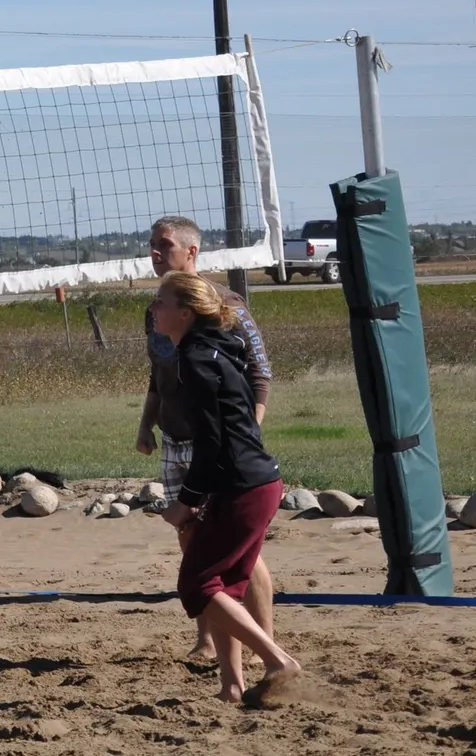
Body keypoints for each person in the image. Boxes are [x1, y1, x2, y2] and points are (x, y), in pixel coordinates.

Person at [152, 270, 301, 705]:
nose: (153, 308)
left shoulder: (197, 360)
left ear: (185, 312)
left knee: (197, 586)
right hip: (252, 481)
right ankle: (231, 686)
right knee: (222, 587)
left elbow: (212, 444)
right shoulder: (210, 348)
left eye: (161, 301)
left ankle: (277, 660)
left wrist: (187, 502)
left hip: (243, 485)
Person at [136, 215, 274, 661]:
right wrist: (145, 424)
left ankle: (262, 643)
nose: (155, 252)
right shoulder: (159, 310)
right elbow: (159, 376)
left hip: (218, 447)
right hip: (177, 439)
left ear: (191, 252)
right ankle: (209, 640)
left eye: (164, 245)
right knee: (192, 543)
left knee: (239, 552)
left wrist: (246, 433)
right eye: (152, 245)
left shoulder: (226, 303)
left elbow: (260, 373)